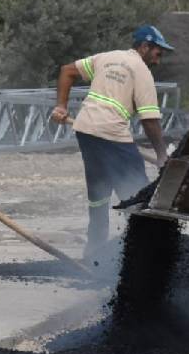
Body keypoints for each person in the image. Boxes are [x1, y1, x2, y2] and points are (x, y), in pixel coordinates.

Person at [51, 25, 172, 253]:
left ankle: (94, 250)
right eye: (158, 53)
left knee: (99, 190)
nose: (158, 60)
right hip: (112, 133)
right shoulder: (141, 71)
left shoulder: (107, 57)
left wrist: (61, 106)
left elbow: (67, 70)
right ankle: (145, 250)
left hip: (86, 130)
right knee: (138, 192)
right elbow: (150, 120)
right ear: (145, 46)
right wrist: (162, 155)